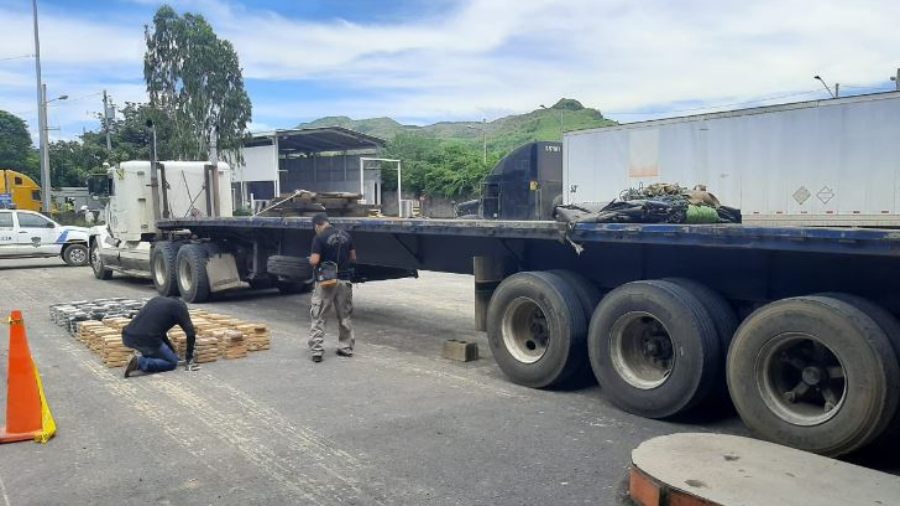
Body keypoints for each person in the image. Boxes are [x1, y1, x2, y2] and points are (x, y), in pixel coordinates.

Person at [308, 213, 356, 362]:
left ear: (317, 226)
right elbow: (353, 257)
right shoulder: (347, 236)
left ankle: (317, 351)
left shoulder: (319, 238)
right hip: (344, 280)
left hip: (326, 282)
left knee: (319, 315)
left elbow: (315, 260)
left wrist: (311, 260)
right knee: (344, 315)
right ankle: (345, 348)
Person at [123, 296, 197, 377]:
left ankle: (144, 355)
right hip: (147, 339)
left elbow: (161, 332)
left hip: (127, 336)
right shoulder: (180, 308)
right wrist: (189, 357)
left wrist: (171, 350)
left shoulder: (157, 300)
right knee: (172, 363)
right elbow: (191, 333)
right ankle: (140, 362)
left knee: (160, 352)